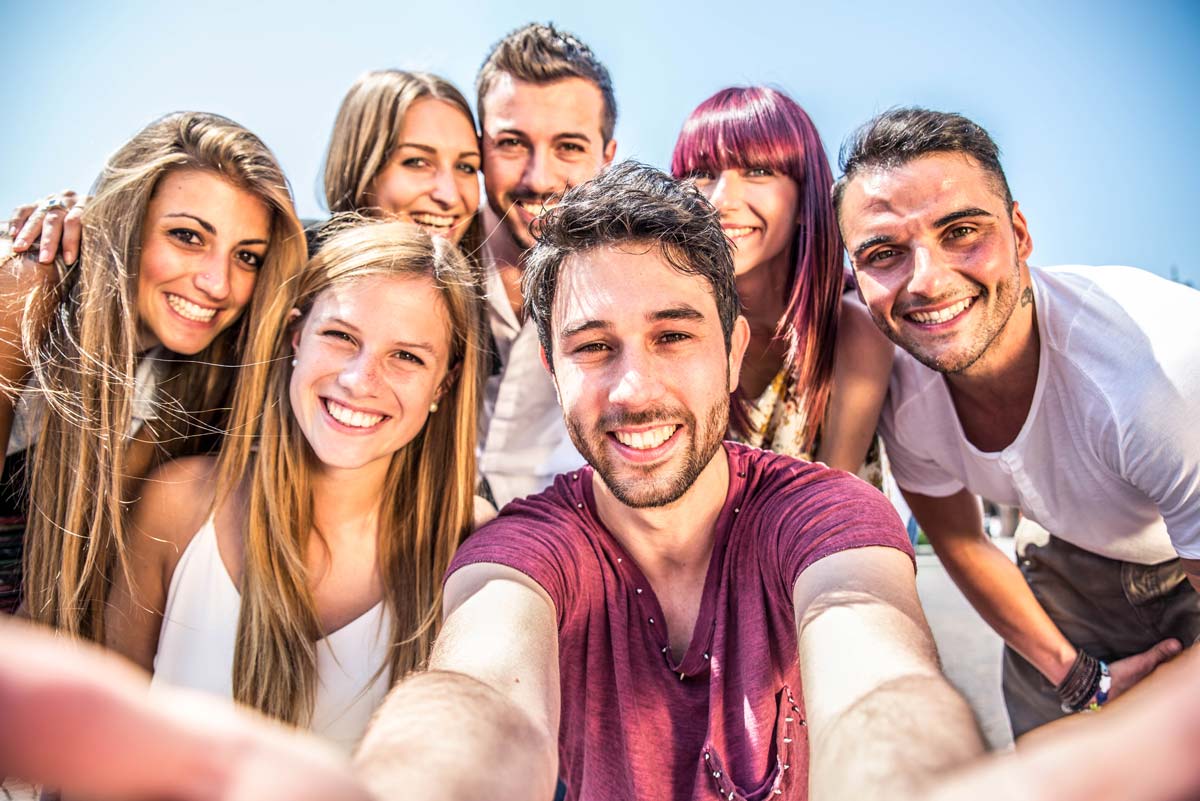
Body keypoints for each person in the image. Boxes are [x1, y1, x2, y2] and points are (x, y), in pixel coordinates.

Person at [352, 161, 983, 801]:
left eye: (673, 335)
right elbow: (480, 689)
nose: (635, 390)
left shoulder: (824, 513)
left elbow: (875, 677)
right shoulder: (524, 550)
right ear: (551, 368)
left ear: (733, 351)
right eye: (593, 347)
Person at [832, 107, 1200, 736]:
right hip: (1077, 559)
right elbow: (962, 542)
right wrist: (1080, 678)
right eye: (885, 253)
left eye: (962, 232)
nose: (928, 280)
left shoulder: (1159, 373)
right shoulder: (902, 391)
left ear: (1021, 233)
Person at [104, 219, 484, 751]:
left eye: (406, 356)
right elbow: (102, 750)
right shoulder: (179, 503)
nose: (358, 380)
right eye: (340, 336)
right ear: (294, 337)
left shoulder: (472, 544)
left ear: (443, 382)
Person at [1, 112, 306, 632]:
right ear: (127, 222)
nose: (217, 283)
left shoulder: (197, 376)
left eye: (248, 257)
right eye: (188, 236)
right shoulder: (30, 284)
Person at [670, 86, 893, 474]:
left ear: (807, 201)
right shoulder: (667, 328)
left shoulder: (852, 330)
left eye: (758, 171)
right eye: (702, 174)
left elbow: (826, 501)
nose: (722, 200)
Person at [472, 22, 617, 509]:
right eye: (512, 143)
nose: (539, 177)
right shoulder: (425, 263)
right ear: (478, 148)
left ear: (606, 158)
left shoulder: (637, 286)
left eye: (569, 147)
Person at [320, 69, 484, 257]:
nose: (450, 196)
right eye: (417, 162)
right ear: (359, 166)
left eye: (465, 167)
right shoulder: (293, 277)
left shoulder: (496, 279)